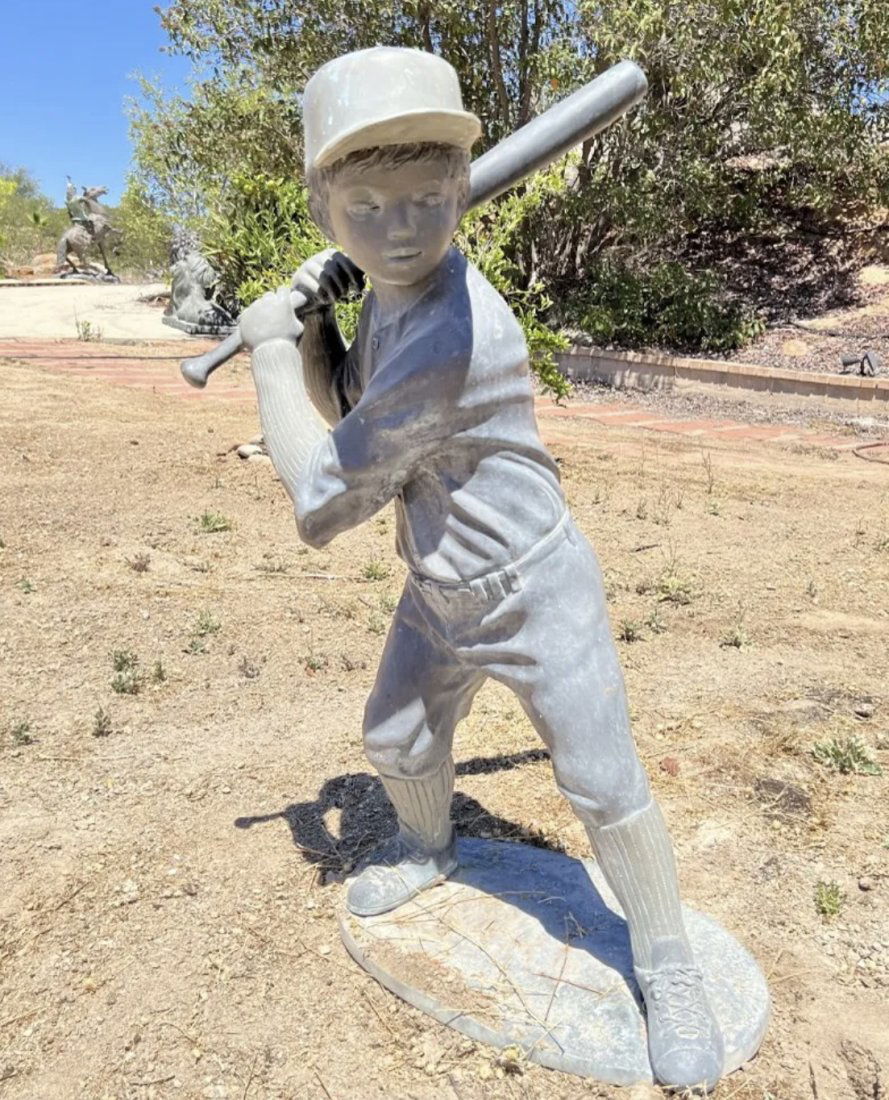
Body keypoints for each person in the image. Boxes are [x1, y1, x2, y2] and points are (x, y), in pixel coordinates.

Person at [237, 46, 725, 1092]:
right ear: (323, 211)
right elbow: (357, 416)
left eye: (424, 198)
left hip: (535, 587)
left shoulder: (456, 331)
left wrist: (269, 355)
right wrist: (320, 333)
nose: (400, 226)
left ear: (462, 189)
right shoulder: (394, 293)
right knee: (397, 735)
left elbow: (325, 499)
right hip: (439, 583)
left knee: (600, 779)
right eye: (364, 203)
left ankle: (669, 965)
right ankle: (429, 848)